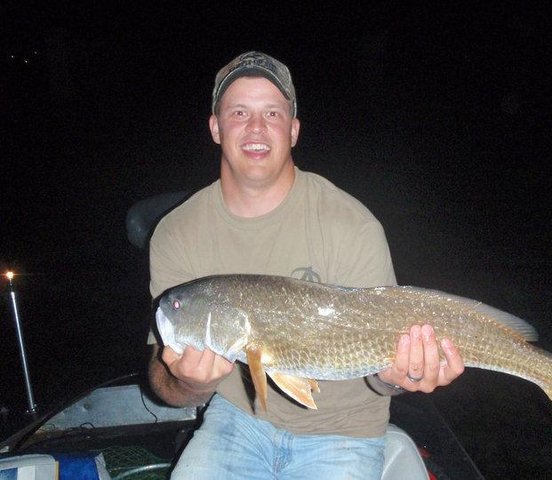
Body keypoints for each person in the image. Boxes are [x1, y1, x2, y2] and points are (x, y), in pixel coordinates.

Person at [147, 51, 464, 479]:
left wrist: (399, 375)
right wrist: (191, 382)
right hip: (238, 421)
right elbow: (162, 378)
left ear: (293, 130)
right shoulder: (177, 232)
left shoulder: (350, 225)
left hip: (346, 431)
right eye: (239, 112)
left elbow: (380, 375)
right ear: (216, 127)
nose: (256, 127)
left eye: (272, 113)